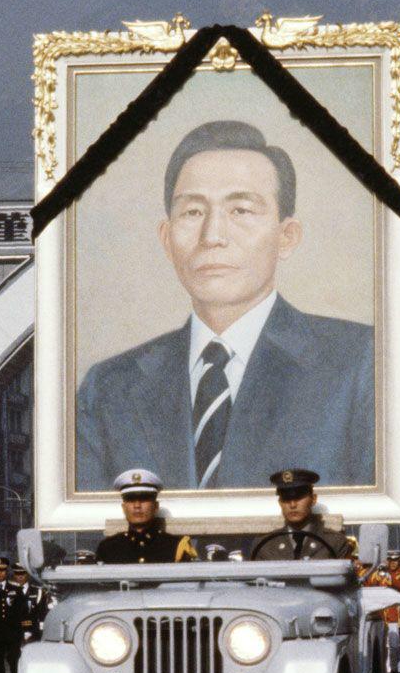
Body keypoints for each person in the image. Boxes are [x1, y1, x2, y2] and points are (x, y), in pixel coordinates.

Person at [75, 120, 375, 491]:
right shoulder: (108, 389)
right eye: (193, 213)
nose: (213, 236)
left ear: (286, 236)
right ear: (167, 239)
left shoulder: (359, 361)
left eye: (241, 211)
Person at [250, 469, 356, 561]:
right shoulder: (265, 546)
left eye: (299, 497)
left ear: (313, 499)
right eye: (286, 499)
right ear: (280, 503)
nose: (292, 505)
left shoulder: (334, 542)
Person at [94, 470, 197, 563]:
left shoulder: (176, 546)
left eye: (144, 499)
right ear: (123, 508)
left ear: (156, 506)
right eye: (131, 500)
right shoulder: (108, 548)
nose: (137, 506)